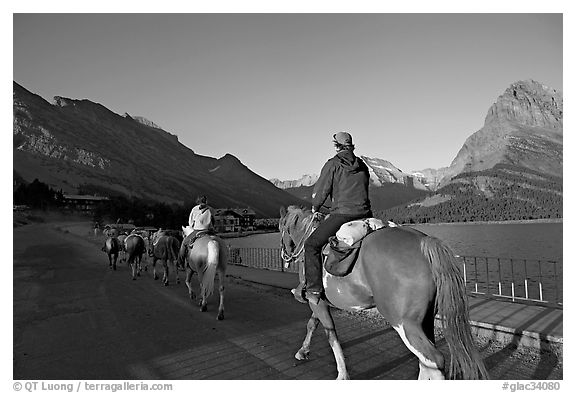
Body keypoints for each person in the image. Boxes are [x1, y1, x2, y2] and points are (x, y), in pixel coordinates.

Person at [294, 132, 372, 305]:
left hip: (342, 215)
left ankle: (314, 289)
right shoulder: (363, 165)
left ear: (336, 146)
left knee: (311, 244)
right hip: (366, 215)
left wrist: (316, 206)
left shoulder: (333, 164)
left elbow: (321, 191)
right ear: (351, 145)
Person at [178, 195, 215, 266]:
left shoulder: (195, 209)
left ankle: (180, 262)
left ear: (198, 201)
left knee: (184, 243)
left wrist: (192, 226)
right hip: (209, 231)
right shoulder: (211, 209)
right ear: (206, 201)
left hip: (198, 230)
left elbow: (190, 222)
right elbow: (213, 221)